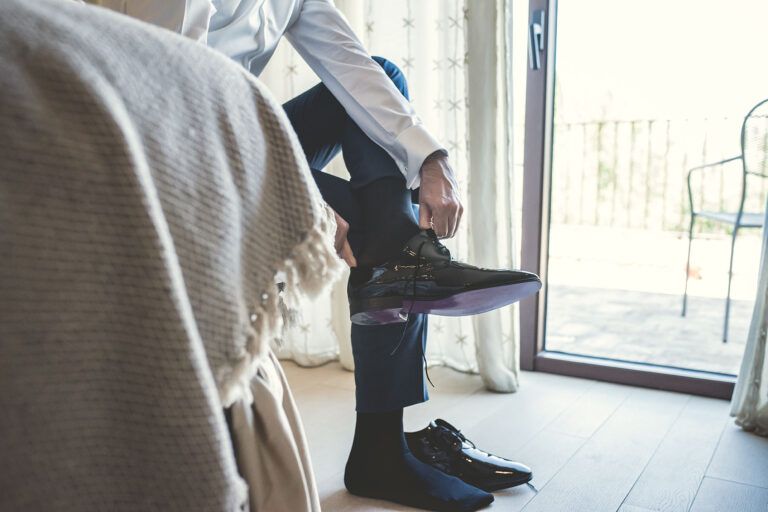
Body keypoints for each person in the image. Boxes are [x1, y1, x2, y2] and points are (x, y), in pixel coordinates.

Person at [96, 1, 540, 510]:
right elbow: (160, 84)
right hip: (162, 139)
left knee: (383, 79)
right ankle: (381, 449)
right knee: (386, 240)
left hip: (238, 128)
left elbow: (349, 63)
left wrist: (431, 158)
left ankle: (403, 262)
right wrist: (296, 188)